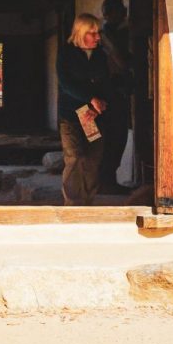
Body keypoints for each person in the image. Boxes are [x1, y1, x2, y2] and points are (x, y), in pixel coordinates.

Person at [56, 14, 112, 206]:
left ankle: (88, 202)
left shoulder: (100, 56)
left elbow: (106, 85)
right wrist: (91, 99)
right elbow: (66, 84)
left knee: (92, 159)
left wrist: (98, 107)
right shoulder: (66, 53)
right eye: (92, 33)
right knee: (74, 157)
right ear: (80, 33)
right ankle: (71, 204)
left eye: (98, 33)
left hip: (90, 116)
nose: (97, 37)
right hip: (71, 115)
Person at [96, 0, 134, 196]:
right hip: (108, 93)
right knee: (112, 137)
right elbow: (122, 62)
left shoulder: (119, 32)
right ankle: (105, 180)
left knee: (117, 137)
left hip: (117, 91)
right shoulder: (105, 35)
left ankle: (108, 179)